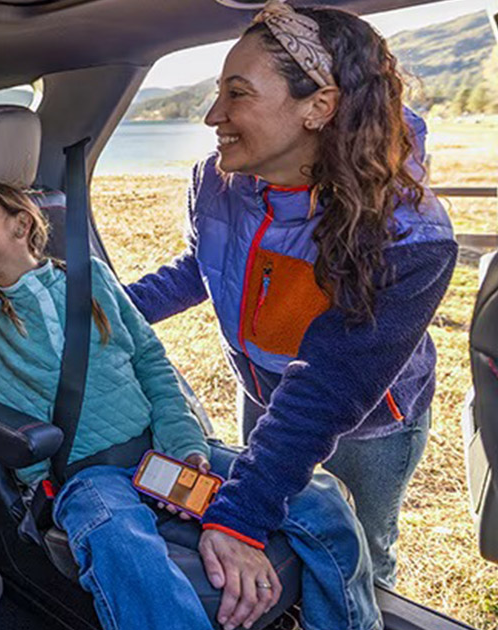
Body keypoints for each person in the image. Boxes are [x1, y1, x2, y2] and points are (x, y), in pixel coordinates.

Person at [0, 180, 378, 630]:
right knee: (122, 545)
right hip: (85, 477)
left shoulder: (93, 284)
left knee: (321, 497)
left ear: (22, 224)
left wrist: (185, 442)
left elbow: (152, 364)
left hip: (161, 451)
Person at [125, 0, 456, 592]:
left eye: (237, 93)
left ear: (318, 107)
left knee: (357, 551)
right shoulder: (217, 180)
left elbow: (331, 384)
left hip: (371, 420)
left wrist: (239, 516)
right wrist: (104, 311)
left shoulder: (412, 234)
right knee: (282, 528)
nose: (212, 116)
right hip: (264, 393)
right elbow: (203, 267)